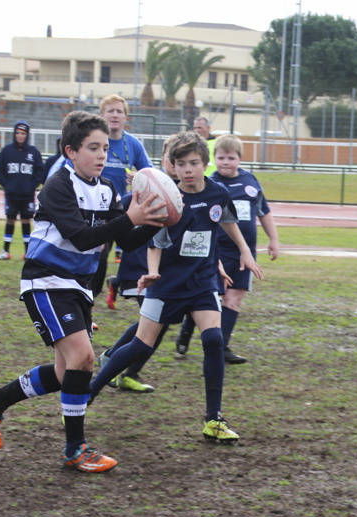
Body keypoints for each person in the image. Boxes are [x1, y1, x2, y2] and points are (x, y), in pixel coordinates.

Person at [0, 111, 165, 472]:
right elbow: (82, 236)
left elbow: (123, 238)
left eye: (105, 147)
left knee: (67, 373)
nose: (102, 155)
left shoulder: (106, 189)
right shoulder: (58, 184)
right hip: (46, 280)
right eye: (93, 147)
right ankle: (75, 449)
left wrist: (157, 221)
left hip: (76, 287)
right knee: (84, 359)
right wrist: (132, 218)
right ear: (70, 150)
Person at [89, 131, 263, 443]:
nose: (187, 169)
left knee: (213, 339)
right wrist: (152, 272)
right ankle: (86, 395)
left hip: (202, 283)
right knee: (141, 346)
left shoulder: (219, 193)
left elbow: (226, 223)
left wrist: (244, 253)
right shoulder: (169, 200)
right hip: (167, 284)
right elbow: (154, 243)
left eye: (193, 163)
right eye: (180, 164)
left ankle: (214, 419)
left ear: (205, 163)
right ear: (172, 165)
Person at [175, 134, 279, 364]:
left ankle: (222, 346)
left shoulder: (251, 182)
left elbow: (264, 212)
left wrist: (273, 239)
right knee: (208, 295)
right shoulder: (207, 183)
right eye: (221, 157)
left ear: (239, 159)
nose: (225, 162)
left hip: (244, 251)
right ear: (212, 159)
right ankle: (186, 330)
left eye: (230, 158)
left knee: (234, 299)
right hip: (215, 251)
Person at [98, 136, 181, 392]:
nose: (179, 166)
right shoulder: (144, 191)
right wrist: (103, 236)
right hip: (140, 267)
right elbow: (120, 211)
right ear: (164, 160)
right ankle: (112, 359)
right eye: (174, 159)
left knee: (160, 321)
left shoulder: (184, 196)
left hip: (167, 270)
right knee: (153, 321)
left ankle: (127, 371)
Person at [98, 94, 153, 270]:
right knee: (99, 255)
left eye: (119, 111)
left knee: (134, 253)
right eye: (110, 111)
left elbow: (151, 174)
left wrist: (139, 177)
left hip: (121, 209)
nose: (115, 115)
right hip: (97, 207)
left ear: (125, 117)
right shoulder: (95, 140)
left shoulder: (133, 143)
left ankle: (120, 283)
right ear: (102, 115)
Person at [0, 121, 46, 260]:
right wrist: (7, 184)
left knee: (25, 221)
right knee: (10, 220)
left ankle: (28, 252)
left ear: (27, 135)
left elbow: (40, 171)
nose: (20, 136)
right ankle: (5, 251)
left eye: (23, 133)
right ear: (14, 134)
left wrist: (31, 185)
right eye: (17, 133)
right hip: (11, 194)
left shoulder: (33, 152)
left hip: (27, 195)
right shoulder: (6, 151)